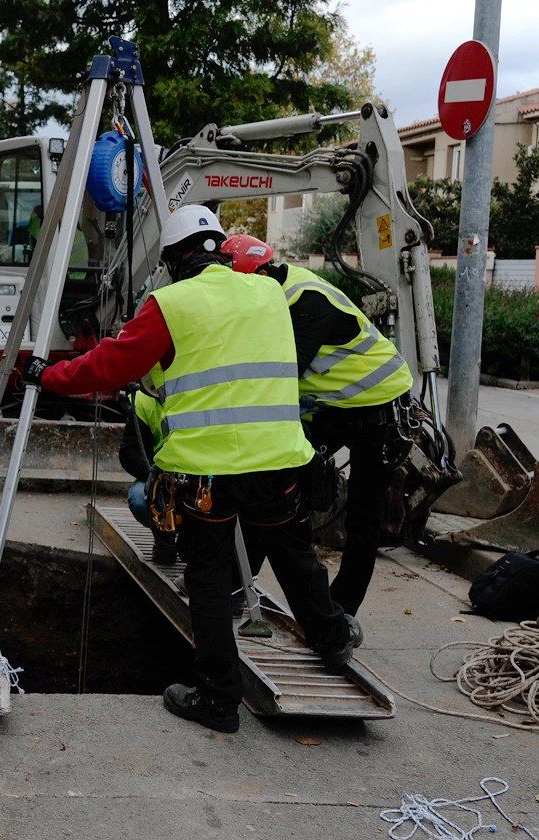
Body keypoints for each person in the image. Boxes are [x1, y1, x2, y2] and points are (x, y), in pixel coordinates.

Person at [23, 204, 360, 734]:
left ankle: (218, 700)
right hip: (280, 461)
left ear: (174, 260)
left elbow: (109, 366)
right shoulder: (271, 292)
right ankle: (333, 639)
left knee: (207, 578)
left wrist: (48, 377)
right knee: (295, 557)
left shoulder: (171, 304)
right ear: (220, 249)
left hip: (210, 472)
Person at [221, 234, 414, 616]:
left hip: (377, 407)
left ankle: (342, 609)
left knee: (363, 514)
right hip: (333, 405)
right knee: (272, 483)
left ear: (259, 275)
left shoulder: (306, 303)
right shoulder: (274, 293)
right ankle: (236, 585)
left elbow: (280, 375)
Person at [119, 389, 178, 566]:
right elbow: (129, 453)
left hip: (195, 472)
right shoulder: (143, 402)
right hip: (158, 473)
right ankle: (164, 539)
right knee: (138, 498)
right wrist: (157, 477)